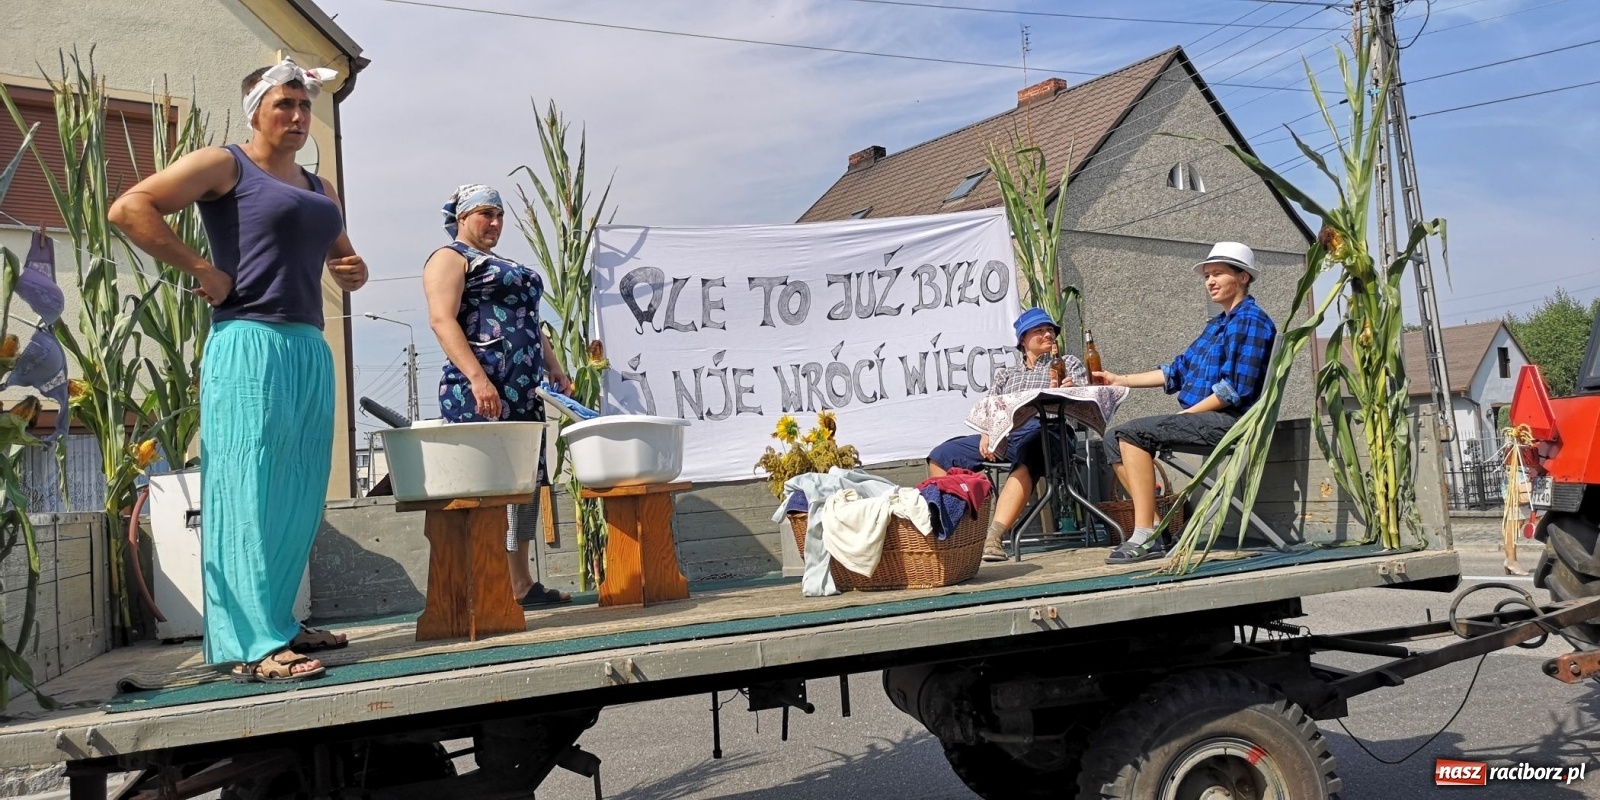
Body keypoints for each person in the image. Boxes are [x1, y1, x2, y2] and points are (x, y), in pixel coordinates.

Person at [108, 59, 367, 682]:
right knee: (247, 490)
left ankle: (279, 619)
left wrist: (349, 267)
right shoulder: (226, 164)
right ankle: (249, 645)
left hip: (307, 345)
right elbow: (129, 208)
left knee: (299, 491)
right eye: (285, 105)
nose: (299, 117)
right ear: (256, 109)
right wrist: (201, 269)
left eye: (305, 106)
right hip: (248, 340)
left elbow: (338, 250)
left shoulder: (318, 187)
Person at [423, 184, 575, 608]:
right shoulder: (450, 258)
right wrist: (477, 378)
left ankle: (520, 584)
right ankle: (485, 583)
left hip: (523, 391)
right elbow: (441, 319)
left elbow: (529, 320)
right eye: (485, 214)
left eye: (499, 215)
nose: (494, 222)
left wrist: (554, 367)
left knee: (525, 487)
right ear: (462, 217)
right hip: (480, 390)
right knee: (486, 486)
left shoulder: (505, 264)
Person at [1093, 242, 1276, 564]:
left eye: (1218, 273)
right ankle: (1155, 530)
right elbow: (1175, 371)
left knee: (1133, 434)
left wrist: (1187, 414)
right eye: (1207, 275)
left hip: (1232, 422)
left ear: (1243, 277)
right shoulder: (1216, 325)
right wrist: (1120, 379)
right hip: (1206, 418)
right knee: (1113, 438)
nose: (1210, 281)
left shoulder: (1252, 321)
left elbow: (1234, 390)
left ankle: (1143, 535)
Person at [928, 307, 1087, 561]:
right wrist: (986, 433)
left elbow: (1085, 397)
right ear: (1023, 340)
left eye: (1050, 330)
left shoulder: (1067, 364)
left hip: (1050, 431)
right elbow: (990, 406)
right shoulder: (1007, 374)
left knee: (1029, 450)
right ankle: (954, 531)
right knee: (942, 455)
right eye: (1039, 330)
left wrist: (1073, 389)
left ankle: (993, 537)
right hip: (1009, 434)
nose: (1048, 334)